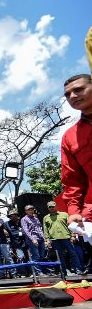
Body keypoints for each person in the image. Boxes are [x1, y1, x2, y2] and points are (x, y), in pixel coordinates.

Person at [60, 74, 92, 221]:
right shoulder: (69, 137)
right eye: (67, 94)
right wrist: (74, 211)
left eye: (79, 89)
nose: (72, 96)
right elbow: (72, 180)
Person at [43, 201, 83, 276]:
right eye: (50, 207)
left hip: (66, 237)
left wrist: (73, 235)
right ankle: (63, 272)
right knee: (59, 256)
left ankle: (78, 270)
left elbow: (71, 225)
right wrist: (47, 240)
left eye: (53, 206)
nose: (51, 208)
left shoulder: (64, 214)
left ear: (56, 206)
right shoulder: (46, 218)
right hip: (54, 239)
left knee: (73, 254)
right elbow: (45, 230)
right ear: (48, 208)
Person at [21, 205, 49, 276]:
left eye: (32, 209)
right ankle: (38, 272)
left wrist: (44, 238)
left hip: (40, 239)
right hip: (32, 240)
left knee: (42, 256)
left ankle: (43, 270)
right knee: (35, 256)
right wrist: (33, 239)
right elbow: (25, 230)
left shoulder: (36, 218)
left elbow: (40, 229)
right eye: (29, 210)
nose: (31, 211)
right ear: (26, 211)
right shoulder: (24, 219)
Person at [6, 211, 30, 277]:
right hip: (16, 244)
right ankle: (22, 273)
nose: (13, 217)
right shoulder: (7, 224)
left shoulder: (22, 222)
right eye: (11, 216)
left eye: (14, 215)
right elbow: (2, 229)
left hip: (26, 243)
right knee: (20, 258)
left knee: (28, 258)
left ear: (17, 216)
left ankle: (29, 273)